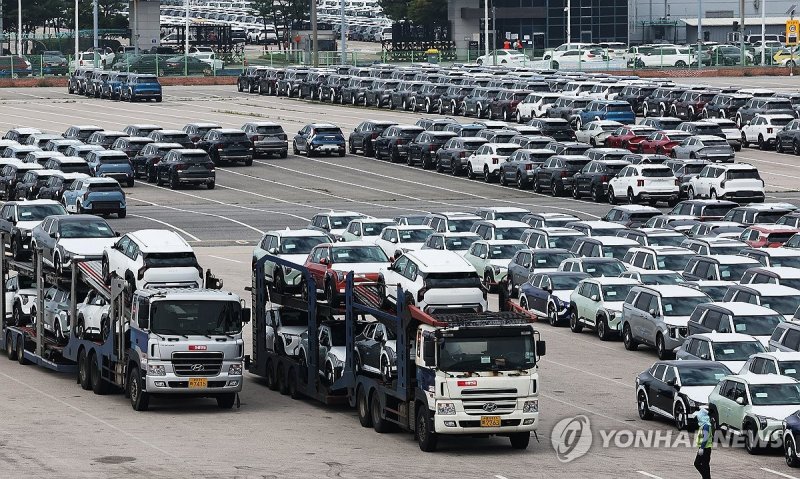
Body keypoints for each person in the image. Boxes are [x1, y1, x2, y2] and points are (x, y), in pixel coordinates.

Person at [693, 407, 712, 479]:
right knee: (702, 464)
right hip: (704, 448)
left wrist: (702, 448)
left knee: (701, 464)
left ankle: (706, 477)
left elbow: (705, 438)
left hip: (705, 448)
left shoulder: (706, 425)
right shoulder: (703, 425)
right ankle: (706, 477)